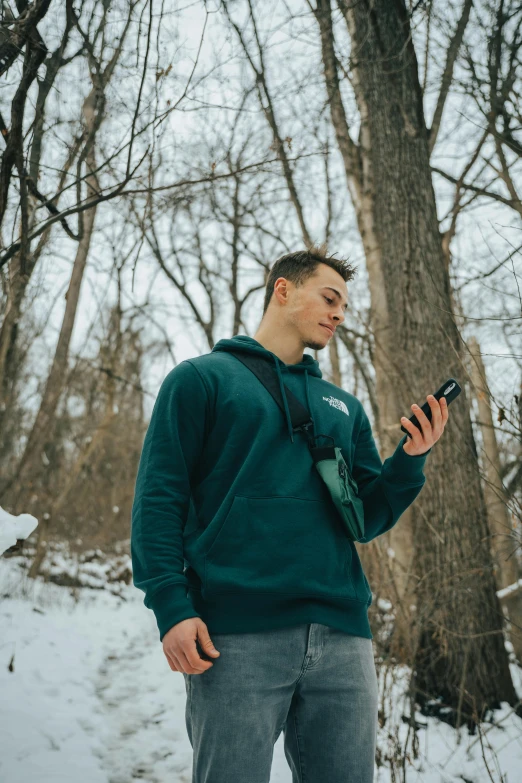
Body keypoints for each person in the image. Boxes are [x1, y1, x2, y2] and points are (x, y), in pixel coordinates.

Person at [130, 247, 449, 782]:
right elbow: (159, 500)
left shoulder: (343, 407)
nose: (339, 313)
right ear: (283, 290)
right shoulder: (200, 380)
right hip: (234, 636)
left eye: (345, 305)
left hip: (344, 638)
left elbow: (365, 518)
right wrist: (170, 605)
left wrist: (410, 460)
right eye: (330, 298)